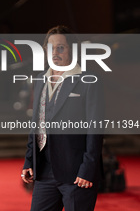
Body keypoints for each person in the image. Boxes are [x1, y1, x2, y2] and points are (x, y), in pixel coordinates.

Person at [21, 26, 104, 211]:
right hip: (44, 172)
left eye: (61, 47)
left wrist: (87, 169)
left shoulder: (88, 80)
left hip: (77, 173)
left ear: (72, 50)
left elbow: (95, 129)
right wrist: (29, 160)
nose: (55, 52)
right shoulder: (40, 79)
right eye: (51, 48)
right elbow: (37, 122)